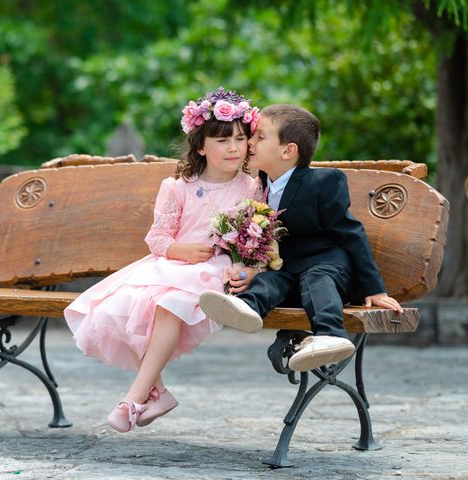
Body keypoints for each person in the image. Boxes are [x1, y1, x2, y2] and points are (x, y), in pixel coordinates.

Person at [64, 87, 264, 432]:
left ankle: (134, 398)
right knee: (125, 305)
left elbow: (256, 239)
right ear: (201, 146)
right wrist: (180, 250)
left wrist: (244, 265)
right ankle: (159, 393)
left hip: (214, 270)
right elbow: (157, 238)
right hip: (172, 264)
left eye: (240, 138)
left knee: (169, 304)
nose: (233, 147)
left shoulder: (252, 188)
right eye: (222, 140)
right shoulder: (178, 187)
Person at [200, 104, 403, 372]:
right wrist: (251, 269)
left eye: (259, 137)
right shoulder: (258, 186)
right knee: (267, 282)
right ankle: (245, 308)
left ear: (288, 151)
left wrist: (374, 288)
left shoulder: (324, 182)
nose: (249, 141)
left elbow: (351, 233)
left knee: (317, 281)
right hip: (288, 270)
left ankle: (330, 335)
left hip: (328, 266)